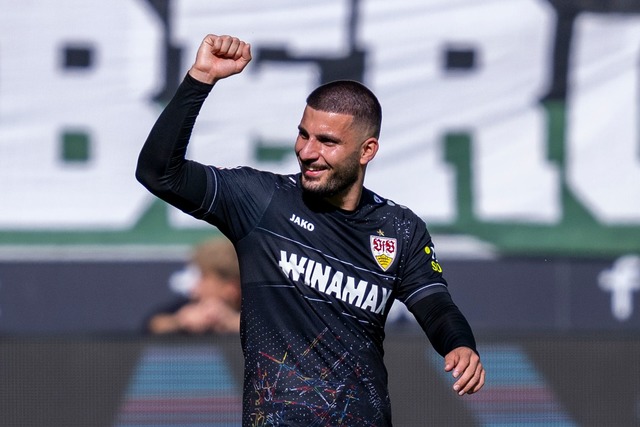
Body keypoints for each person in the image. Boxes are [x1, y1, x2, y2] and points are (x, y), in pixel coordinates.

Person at [136, 34, 485, 426]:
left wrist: (459, 344)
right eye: (304, 134)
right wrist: (200, 79)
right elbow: (158, 173)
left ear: (367, 150)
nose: (307, 151)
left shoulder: (400, 229)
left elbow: (435, 305)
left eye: (327, 141)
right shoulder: (260, 201)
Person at [147, 237, 241, 335]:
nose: (196, 285)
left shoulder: (253, 308)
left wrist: (232, 321)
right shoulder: (190, 303)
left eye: (204, 277)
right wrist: (179, 321)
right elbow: (154, 324)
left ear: (231, 288)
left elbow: (257, 327)